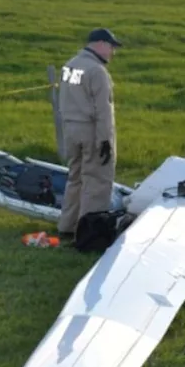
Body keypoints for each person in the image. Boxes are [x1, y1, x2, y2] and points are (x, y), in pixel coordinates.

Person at [57, 28, 122, 251]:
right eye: (111, 46)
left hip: (70, 130)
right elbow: (104, 110)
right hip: (92, 131)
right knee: (97, 181)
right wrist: (105, 141)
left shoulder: (70, 65)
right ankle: (88, 234)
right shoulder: (97, 71)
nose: (113, 52)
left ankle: (67, 226)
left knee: (75, 178)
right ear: (100, 44)